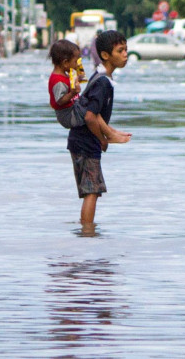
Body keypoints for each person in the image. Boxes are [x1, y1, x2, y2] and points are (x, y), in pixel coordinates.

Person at [68, 30, 132, 227]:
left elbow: (96, 116)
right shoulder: (103, 83)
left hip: (83, 141)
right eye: (120, 51)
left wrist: (111, 133)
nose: (125, 55)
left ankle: (86, 229)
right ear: (105, 55)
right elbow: (89, 116)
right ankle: (87, 232)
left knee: (92, 190)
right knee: (92, 191)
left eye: (126, 50)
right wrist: (103, 139)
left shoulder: (101, 78)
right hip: (85, 142)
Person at [47, 39, 88, 130]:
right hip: (67, 115)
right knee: (92, 115)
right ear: (65, 63)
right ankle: (106, 134)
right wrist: (72, 93)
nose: (77, 64)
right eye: (75, 61)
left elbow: (75, 81)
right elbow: (60, 100)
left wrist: (79, 76)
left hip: (74, 107)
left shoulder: (67, 73)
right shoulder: (58, 81)